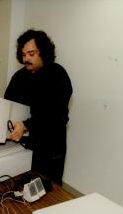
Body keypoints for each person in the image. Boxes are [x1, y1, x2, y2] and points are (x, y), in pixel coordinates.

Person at [4, 29, 72, 185]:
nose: (26, 58)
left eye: (31, 53)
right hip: (21, 145)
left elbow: (56, 114)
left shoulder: (57, 74)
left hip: (49, 149)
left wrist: (26, 125)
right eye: (23, 54)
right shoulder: (19, 77)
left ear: (44, 52)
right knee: (19, 188)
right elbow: (7, 104)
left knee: (47, 191)